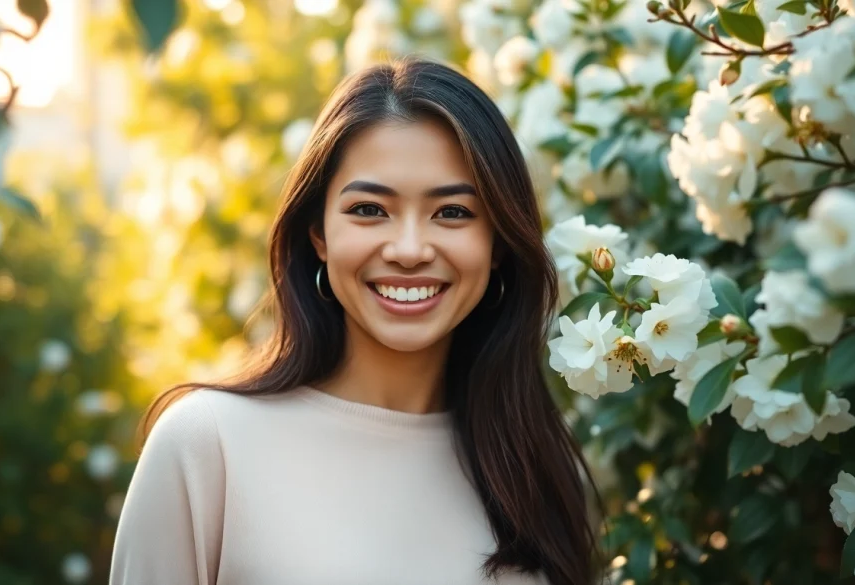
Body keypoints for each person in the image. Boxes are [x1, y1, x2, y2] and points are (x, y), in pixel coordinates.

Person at [109, 56, 602, 585]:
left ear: (498, 242)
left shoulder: (537, 469)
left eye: (453, 212)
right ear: (318, 234)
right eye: (369, 209)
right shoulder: (208, 445)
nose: (410, 250)